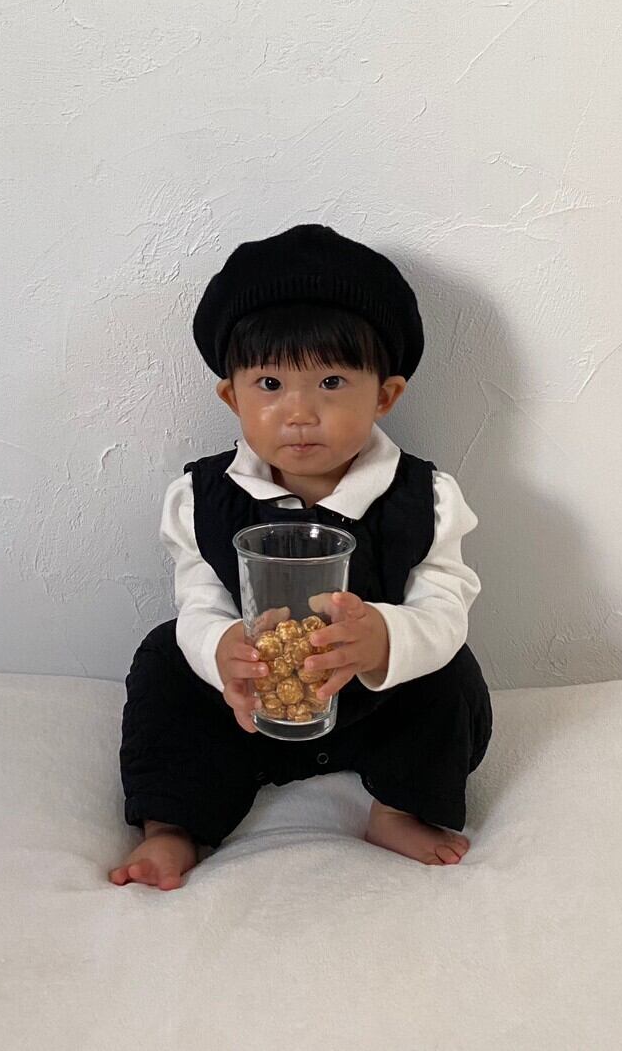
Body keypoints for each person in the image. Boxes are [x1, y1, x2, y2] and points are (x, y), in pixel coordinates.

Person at [109, 223, 493, 891]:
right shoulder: (200, 498)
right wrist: (221, 648)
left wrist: (385, 638)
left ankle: (398, 808)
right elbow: (199, 600)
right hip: (247, 707)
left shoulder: (424, 498)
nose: (299, 413)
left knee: (448, 671)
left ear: (384, 395)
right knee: (166, 656)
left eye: (331, 381)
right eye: (269, 383)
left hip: (371, 708)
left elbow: (445, 604)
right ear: (231, 395)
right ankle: (172, 823)